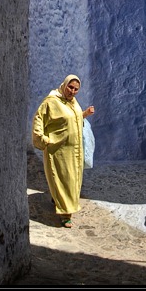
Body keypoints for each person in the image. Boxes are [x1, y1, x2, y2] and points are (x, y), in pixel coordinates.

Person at [32, 74, 95, 228]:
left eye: (76, 89)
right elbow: (39, 120)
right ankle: (65, 214)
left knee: (72, 180)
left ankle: (58, 198)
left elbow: (73, 119)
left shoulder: (73, 103)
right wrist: (43, 140)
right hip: (59, 151)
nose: (72, 91)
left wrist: (85, 114)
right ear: (64, 85)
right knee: (65, 180)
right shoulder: (51, 102)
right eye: (70, 87)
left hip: (74, 151)